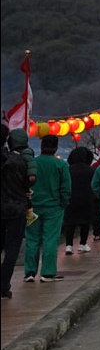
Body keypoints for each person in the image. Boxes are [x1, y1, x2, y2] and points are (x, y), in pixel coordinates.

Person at [22, 134, 71, 282]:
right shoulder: (61, 165)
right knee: (50, 239)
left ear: (41, 146)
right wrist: (63, 203)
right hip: (53, 207)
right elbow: (66, 188)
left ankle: (30, 272)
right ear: (55, 148)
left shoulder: (33, 163)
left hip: (33, 206)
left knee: (32, 239)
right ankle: (48, 272)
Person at [1, 125, 32, 298]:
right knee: (12, 247)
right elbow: (27, 184)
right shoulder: (18, 161)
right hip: (15, 208)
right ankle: (3, 285)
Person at [62, 146, 95, 255]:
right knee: (84, 222)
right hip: (86, 198)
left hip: (71, 199)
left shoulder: (68, 170)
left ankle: (69, 245)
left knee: (70, 222)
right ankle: (82, 244)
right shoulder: (90, 170)